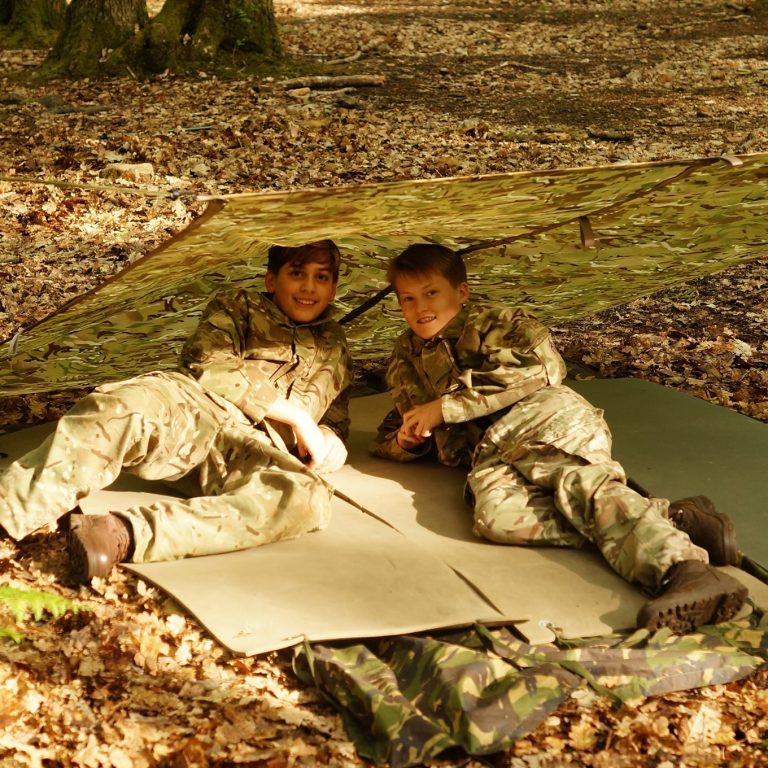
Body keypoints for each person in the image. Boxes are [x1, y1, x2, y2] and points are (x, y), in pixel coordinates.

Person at [371, 243, 748, 634]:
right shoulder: (405, 356)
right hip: (491, 452)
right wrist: (406, 441)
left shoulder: (495, 323)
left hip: (542, 417)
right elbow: (399, 424)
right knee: (497, 518)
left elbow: (544, 366)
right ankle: (670, 517)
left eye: (431, 293)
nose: (420, 307)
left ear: (461, 292)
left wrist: (447, 408)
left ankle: (684, 570)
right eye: (407, 299)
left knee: (580, 484)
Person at [0, 240, 352, 584]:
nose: (309, 287)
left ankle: (119, 535)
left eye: (322, 277)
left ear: (334, 287)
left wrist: (329, 437)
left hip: (252, 449)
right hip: (196, 408)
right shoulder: (237, 306)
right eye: (297, 273)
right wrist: (295, 415)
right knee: (121, 408)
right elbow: (208, 362)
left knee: (305, 499)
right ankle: (8, 510)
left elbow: (335, 417)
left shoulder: (336, 346)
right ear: (272, 280)